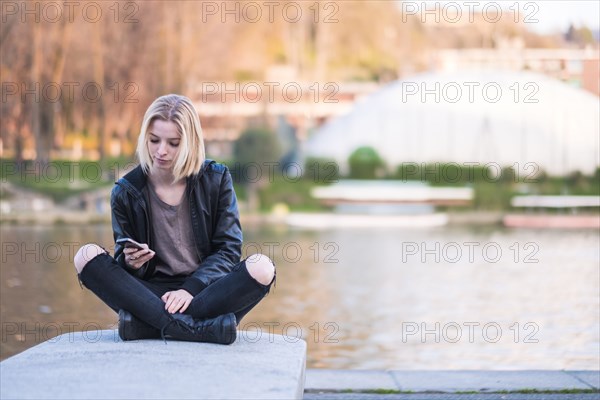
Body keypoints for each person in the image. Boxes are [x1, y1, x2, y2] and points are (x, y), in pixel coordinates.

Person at [73, 94, 276, 345]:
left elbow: (228, 250)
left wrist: (189, 289)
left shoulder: (216, 179)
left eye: (173, 143)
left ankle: (146, 326)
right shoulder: (126, 192)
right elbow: (122, 270)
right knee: (85, 256)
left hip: (205, 290)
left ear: (190, 142)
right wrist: (131, 263)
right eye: (154, 140)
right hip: (150, 294)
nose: (161, 151)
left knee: (262, 267)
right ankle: (201, 329)